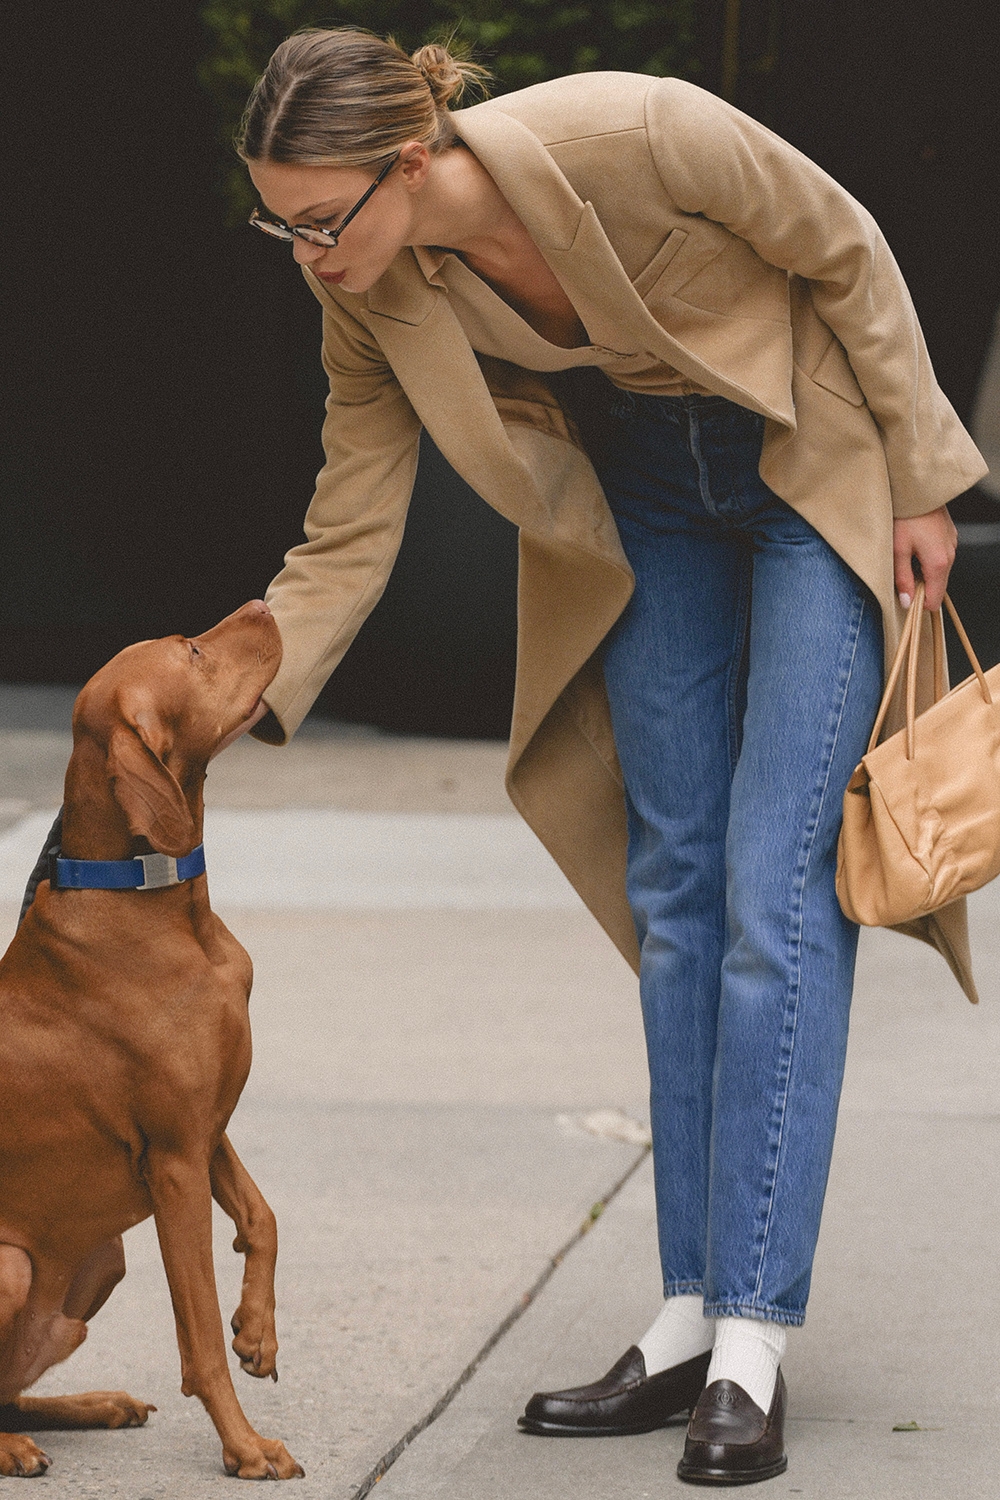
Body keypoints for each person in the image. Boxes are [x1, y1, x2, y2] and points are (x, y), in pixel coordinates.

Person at [235, 28, 987, 1486]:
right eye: (282, 221)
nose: (309, 252)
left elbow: (845, 245)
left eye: (322, 218)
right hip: (646, 501)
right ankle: (689, 1311)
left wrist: (923, 474)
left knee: (779, 895)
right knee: (678, 892)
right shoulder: (369, 288)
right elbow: (349, 513)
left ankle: (757, 1338)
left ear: (409, 156)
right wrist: (233, 690)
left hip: (803, 469)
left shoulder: (630, 130)